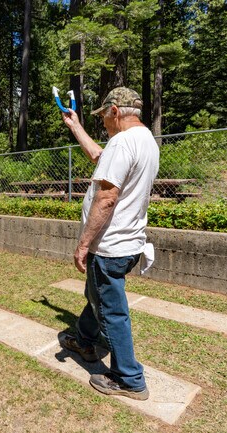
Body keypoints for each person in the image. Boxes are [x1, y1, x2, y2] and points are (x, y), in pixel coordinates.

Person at [60, 87, 159, 401]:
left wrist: (83, 244)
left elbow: (106, 198)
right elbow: (100, 157)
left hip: (109, 246)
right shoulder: (145, 141)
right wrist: (76, 126)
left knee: (112, 310)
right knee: (98, 294)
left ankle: (129, 378)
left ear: (115, 110)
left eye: (103, 116)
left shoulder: (122, 141)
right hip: (130, 243)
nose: (103, 123)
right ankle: (84, 339)